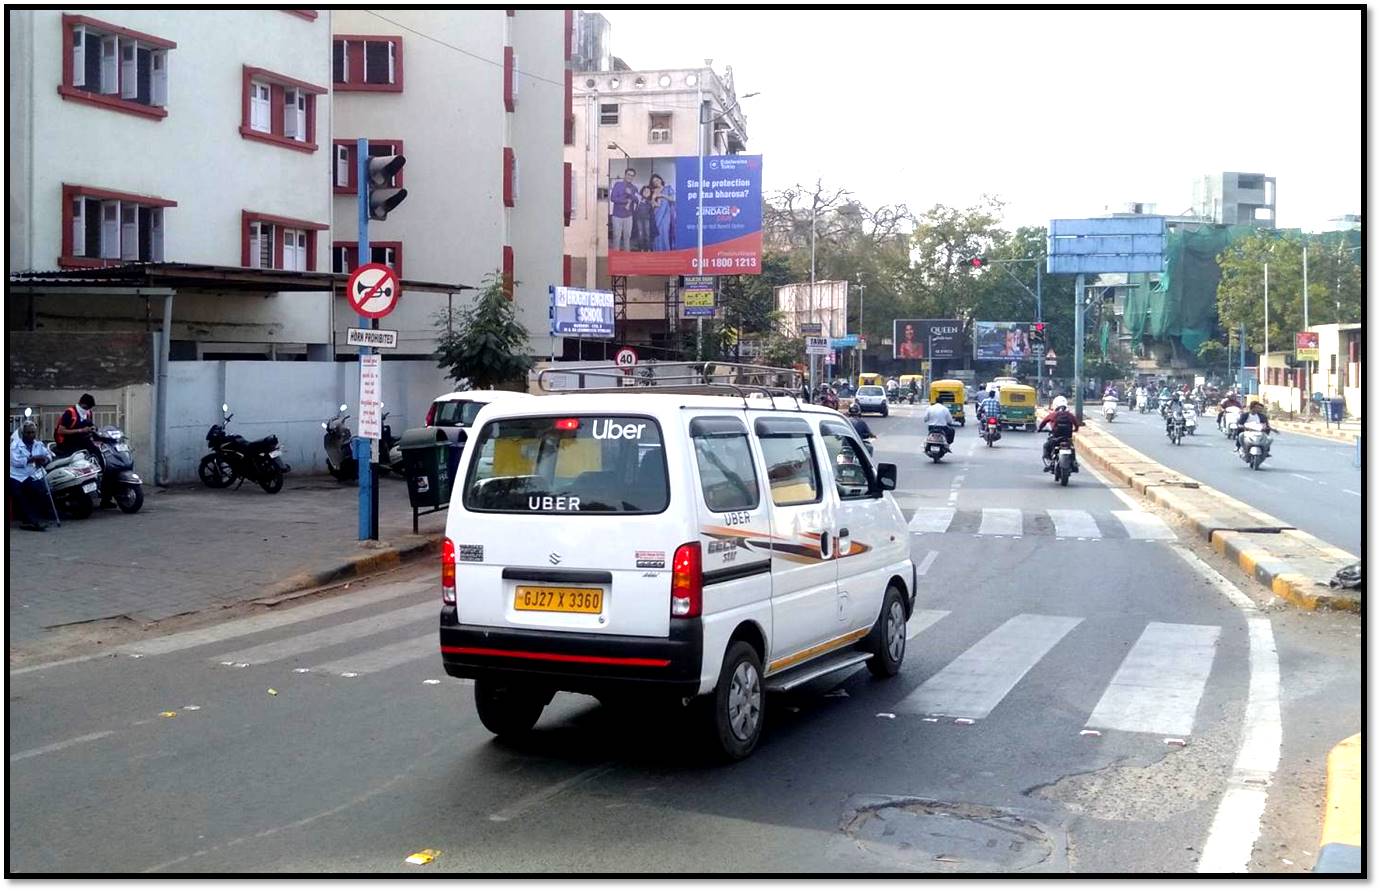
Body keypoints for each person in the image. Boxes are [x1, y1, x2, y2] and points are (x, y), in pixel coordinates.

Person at [10, 420, 54, 532]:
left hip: (32, 474)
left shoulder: (38, 444)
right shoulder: (15, 445)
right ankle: (30, 520)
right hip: (16, 475)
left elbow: (49, 455)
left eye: (33, 432)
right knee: (19, 493)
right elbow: (16, 462)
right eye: (28, 432)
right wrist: (32, 459)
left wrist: (45, 459)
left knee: (40, 489)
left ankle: (37, 518)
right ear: (23, 433)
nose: (30, 435)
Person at [1038, 396, 1080, 469]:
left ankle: (1048, 461)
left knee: (1046, 446)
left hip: (1056, 438)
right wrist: (1075, 429)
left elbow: (1044, 422)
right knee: (1072, 448)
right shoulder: (1069, 415)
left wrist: (1040, 429)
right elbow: (1076, 423)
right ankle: (1074, 462)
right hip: (1067, 438)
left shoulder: (1053, 414)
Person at [53, 393, 97, 459]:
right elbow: (60, 431)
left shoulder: (88, 413)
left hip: (81, 439)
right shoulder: (70, 413)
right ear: (82, 404)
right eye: (86, 408)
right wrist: (81, 430)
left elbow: (90, 424)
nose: (87, 410)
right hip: (66, 441)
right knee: (80, 454)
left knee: (94, 449)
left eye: (89, 408)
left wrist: (93, 428)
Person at [608, 167, 639, 252]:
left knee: (627, 237)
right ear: (625, 175)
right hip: (617, 216)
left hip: (628, 216)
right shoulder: (618, 185)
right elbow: (613, 198)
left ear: (633, 177)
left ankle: (627, 256)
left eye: (632, 175)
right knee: (616, 236)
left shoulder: (634, 188)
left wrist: (631, 194)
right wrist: (625, 201)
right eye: (628, 174)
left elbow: (637, 200)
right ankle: (616, 256)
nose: (630, 177)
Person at [649, 173, 676, 251]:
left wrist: (662, 195)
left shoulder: (668, 188)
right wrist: (653, 198)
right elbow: (652, 205)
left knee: (664, 232)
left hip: (665, 214)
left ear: (660, 179)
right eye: (654, 182)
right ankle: (657, 251)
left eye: (657, 180)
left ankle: (665, 252)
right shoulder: (653, 191)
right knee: (656, 232)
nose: (656, 182)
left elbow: (673, 199)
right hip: (656, 214)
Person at [631, 185, 655, 251]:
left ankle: (649, 249)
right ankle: (641, 249)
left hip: (647, 219)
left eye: (648, 191)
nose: (646, 192)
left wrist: (651, 202)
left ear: (650, 193)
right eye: (645, 191)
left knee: (647, 234)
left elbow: (653, 207)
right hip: (639, 219)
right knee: (640, 234)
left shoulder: (651, 200)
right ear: (642, 192)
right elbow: (633, 194)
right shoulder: (639, 198)